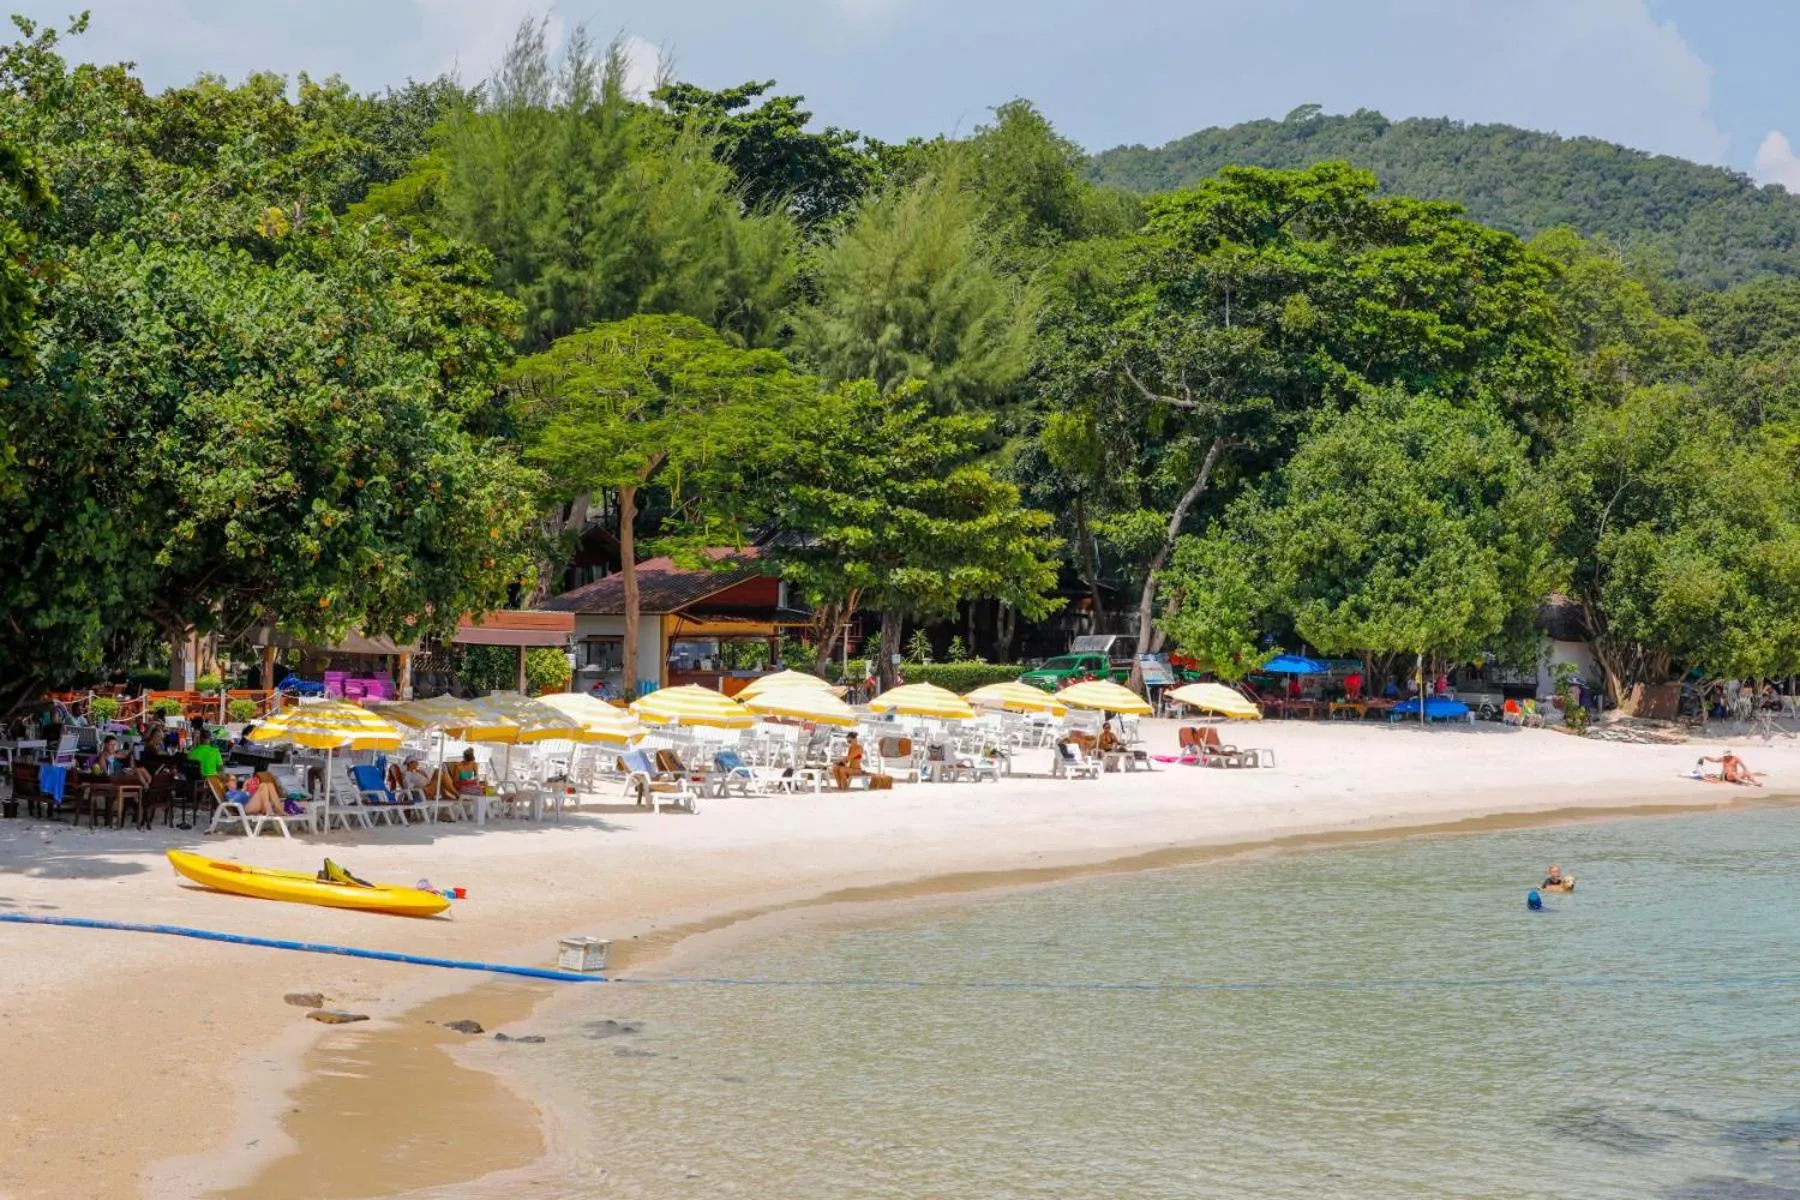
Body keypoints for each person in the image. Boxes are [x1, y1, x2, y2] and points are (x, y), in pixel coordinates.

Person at [1699, 753, 1765, 787]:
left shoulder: (1736, 758)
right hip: (1727, 776)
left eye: (1729, 755)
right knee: (1732, 773)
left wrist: (1748, 774)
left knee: (1746, 772)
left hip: (1735, 776)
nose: (1727, 756)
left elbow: (1743, 766)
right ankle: (1742, 782)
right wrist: (1705, 757)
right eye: (1726, 755)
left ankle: (1756, 783)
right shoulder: (1723, 758)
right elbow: (1713, 760)